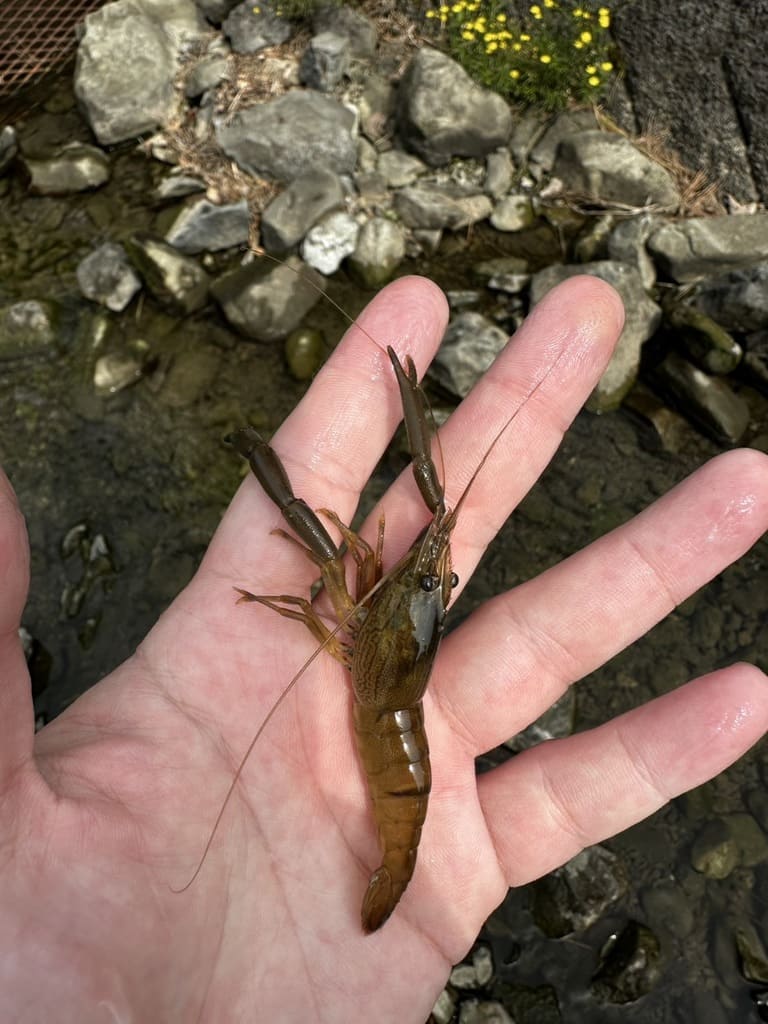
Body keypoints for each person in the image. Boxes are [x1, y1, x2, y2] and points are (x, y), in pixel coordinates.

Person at [1, 276, 766, 1023]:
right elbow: (408, 564)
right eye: (440, 579)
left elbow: (328, 575)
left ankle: (396, 864)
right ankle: (396, 866)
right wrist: (418, 573)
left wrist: (300, 582)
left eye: (439, 580)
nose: (434, 565)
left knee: (329, 547)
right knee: (407, 538)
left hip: (392, 738)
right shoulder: (400, 601)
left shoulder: (368, 614)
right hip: (395, 724)